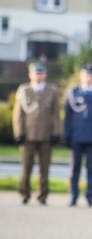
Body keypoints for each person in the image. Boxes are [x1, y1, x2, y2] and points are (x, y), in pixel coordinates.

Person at [12, 62, 60, 206]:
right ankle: (24, 193)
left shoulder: (52, 91)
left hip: (45, 135)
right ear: (30, 74)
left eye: (41, 73)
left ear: (45, 74)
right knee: (26, 167)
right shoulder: (24, 90)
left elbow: (55, 114)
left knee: (44, 168)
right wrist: (19, 132)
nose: (38, 75)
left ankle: (43, 194)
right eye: (35, 73)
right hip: (28, 135)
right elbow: (18, 114)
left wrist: (56, 132)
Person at [64, 63, 92, 208]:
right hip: (77, 137)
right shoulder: (73, 93)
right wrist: (67, 134)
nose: (89, 78)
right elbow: (68, 117)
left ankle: (90, 196)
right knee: (74, 169)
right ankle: (73, 195)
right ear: (81, 76)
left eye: (91, 75)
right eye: (86, 75)